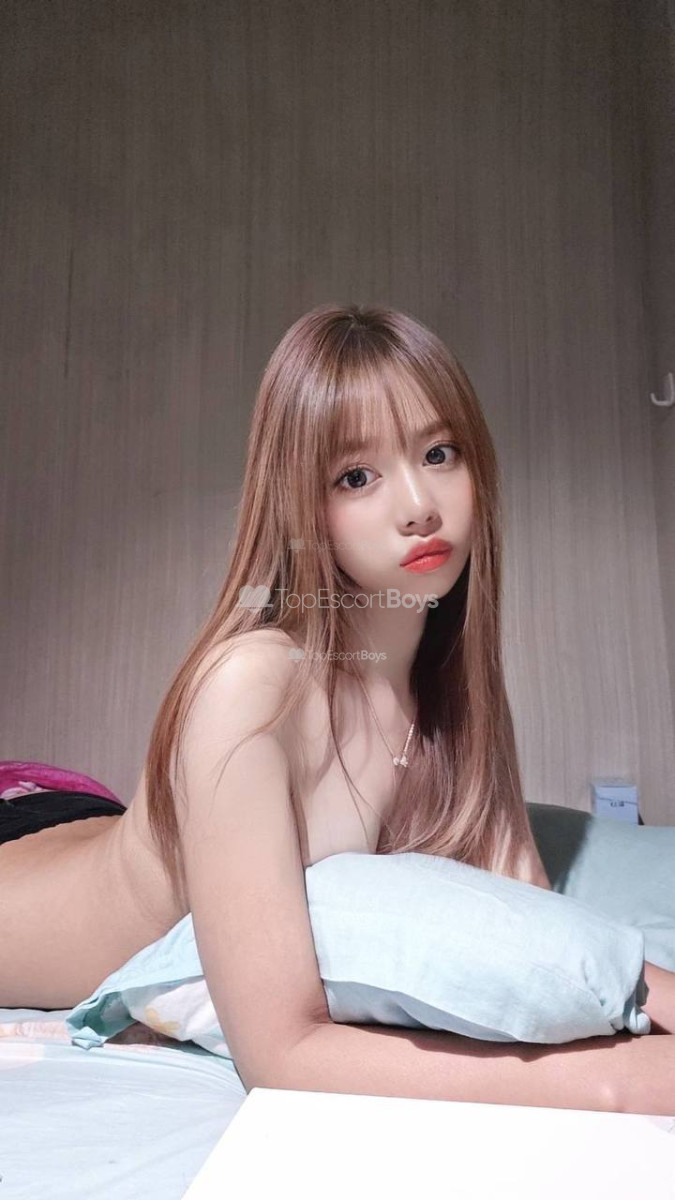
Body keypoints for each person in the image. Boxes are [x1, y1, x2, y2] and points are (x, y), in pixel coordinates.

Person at [2, 303, 675, 1116]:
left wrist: (645, 989)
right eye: (356, 476)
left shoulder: (449, 686)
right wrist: (615, 1083)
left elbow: (535, 934)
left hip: (75, 811)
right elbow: (280, 1051)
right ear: (301, 507)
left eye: (438, 453)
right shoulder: (252, 687)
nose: (418, 505)